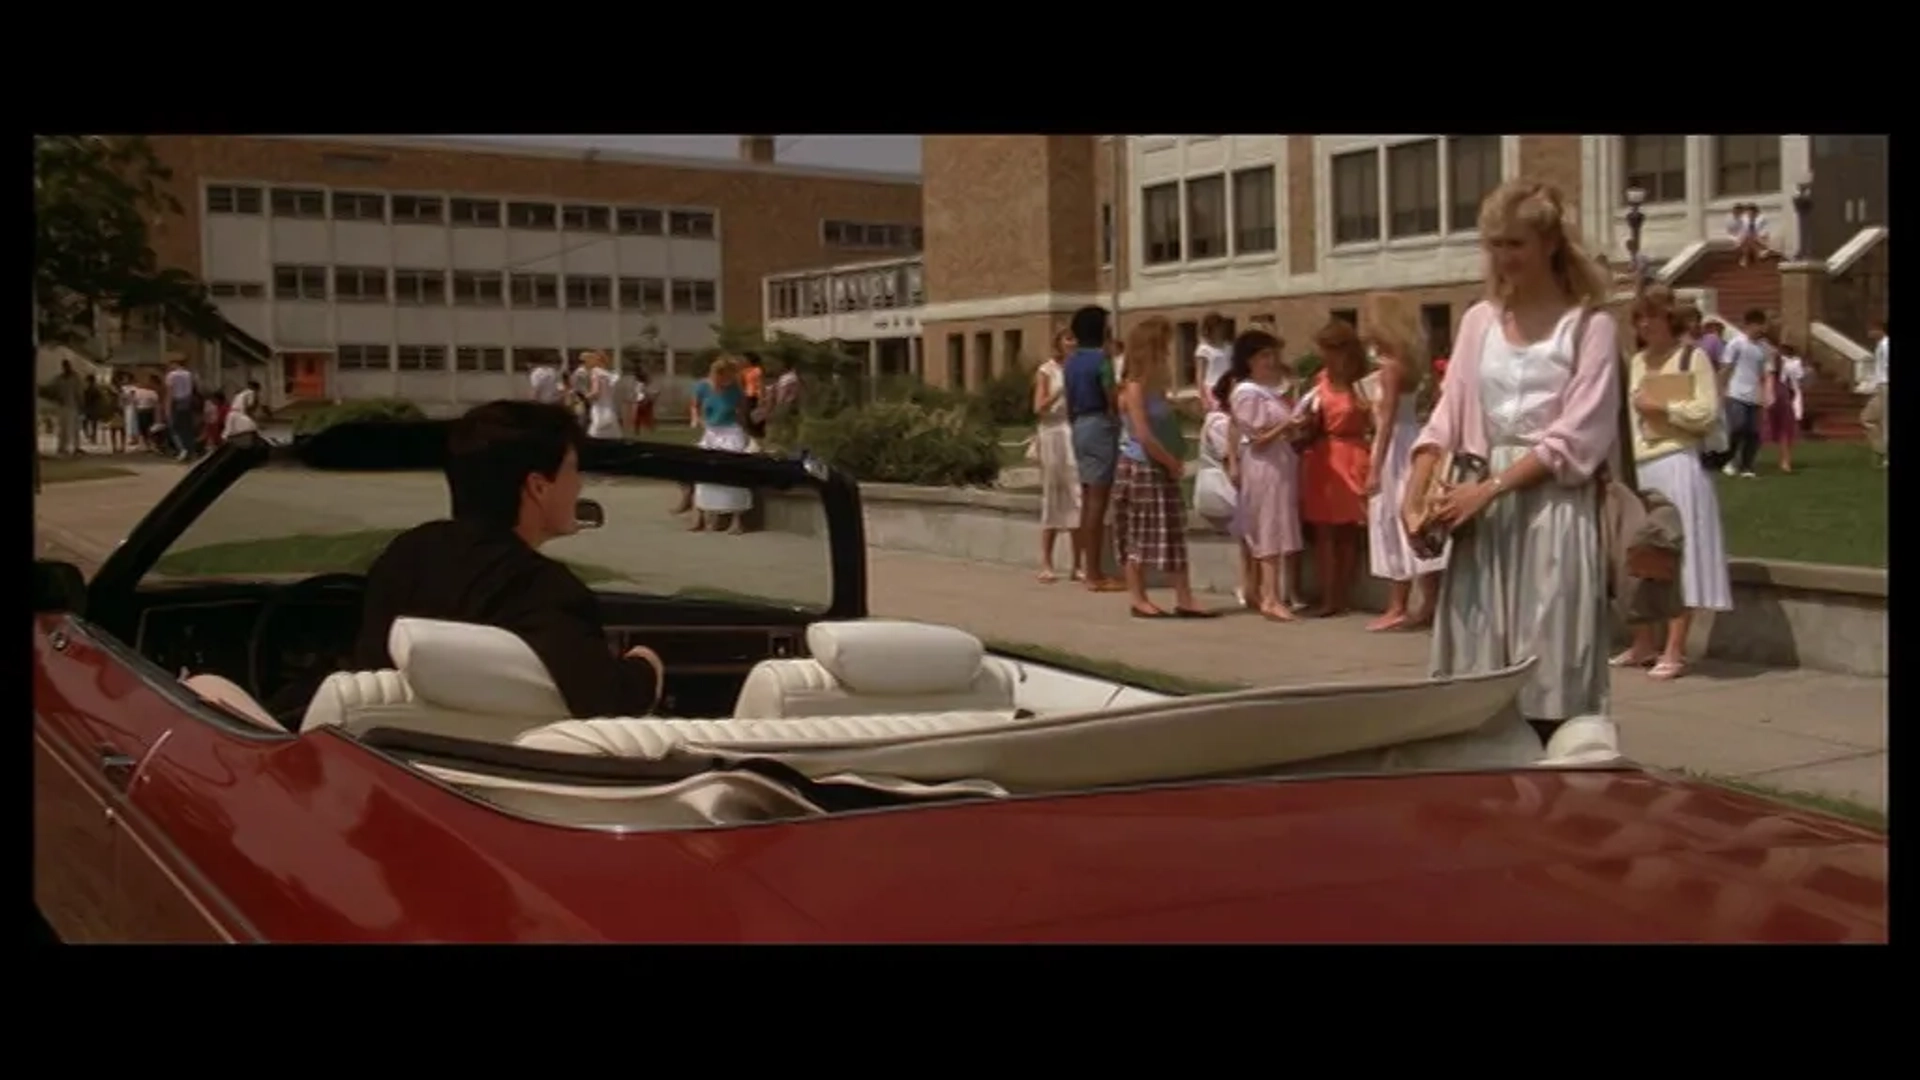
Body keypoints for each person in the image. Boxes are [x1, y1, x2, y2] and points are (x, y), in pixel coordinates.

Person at [1403, 178, 1619, 748]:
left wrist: (1492, 488)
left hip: (1553, 511)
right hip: (1483, 516)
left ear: (1548, 243)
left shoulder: (1590, 327)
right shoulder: (1479, 321)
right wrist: (1418, 483)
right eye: (1493, 244)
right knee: (1473, 683)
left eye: (1514, 244)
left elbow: (1578, 436)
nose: (1502, 258)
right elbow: (1448, 412)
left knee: (1550, 672)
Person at [354, 400, 665, 719]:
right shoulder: (542, 589)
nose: (579, 484)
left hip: (392, 752)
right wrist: (647, 664)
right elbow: (609, 702)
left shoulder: (405, 555)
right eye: (572, 470)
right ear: (538, 487)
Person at [1613, 285, 1732, 682]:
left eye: (1652, 316)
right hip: (1641, 464)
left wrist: (1663, 407)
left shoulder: (1692, 357)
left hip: (1677, 459)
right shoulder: (1638, 362)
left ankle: (1675, 647)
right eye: (1639, 318)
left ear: (1669, 318)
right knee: (1638, 554)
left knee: (1678, 554)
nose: (1646, 324)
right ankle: (1643, 639)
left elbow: (1707, 413)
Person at [1112, 316, 1214, 619]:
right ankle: (1138, 597)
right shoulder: (1134, 388)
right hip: (1142, 467)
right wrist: (1170, 462)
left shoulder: (1155, 388)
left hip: (1160, 465)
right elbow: (1142, 435)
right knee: (1139, 533)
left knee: (1172, 531)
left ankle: (1185, 597)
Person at [1360, 292, 1446, 631]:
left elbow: (1386, 421)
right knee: (1410, 515)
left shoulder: (1390, 369)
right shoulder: (1408, 364)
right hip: (1411, 436)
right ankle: (1427, 600)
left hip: (1395, 444)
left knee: (1393, 518)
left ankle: (1398, 603)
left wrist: (1374, 466)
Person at [1226, 328, 1306, 622]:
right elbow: (1257, 436)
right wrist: (1287, 426)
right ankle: (1269, 595)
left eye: (1273, 355)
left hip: (1279, 462)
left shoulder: (1269, 392)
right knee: (1269, 526)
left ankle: (1272, 592)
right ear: (1249, 360)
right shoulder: (1247, 393)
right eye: (1264, 356)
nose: (1271, 361)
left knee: (1279, 524)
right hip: (1263, 464)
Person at [1299, 319, 1372, 618]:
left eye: (1331, 350)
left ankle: (1343, 594)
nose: (1327, 357)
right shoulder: (1320, 381)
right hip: (1324, 454)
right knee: (1324, 531)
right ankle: (1329, 597)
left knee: (1348, 531)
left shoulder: (1362, 383)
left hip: (1354, 452)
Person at [1064, 305, 1124, 592]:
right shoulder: (1102, 360)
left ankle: (1090, 568)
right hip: (1099, 424)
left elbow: (1068, 401)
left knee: (1088, 496)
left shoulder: (1071, 361)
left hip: (1078, 426)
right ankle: (1095, 573)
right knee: (1098, 499)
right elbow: (1111, 395)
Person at [1032, 329, 1083, 583]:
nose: (1072, 343)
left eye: (1075, 338)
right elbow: (1038, 407)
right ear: (1059, 343)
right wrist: (1059, 391)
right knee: (1053, 493)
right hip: (1052, 431)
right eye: (1068, 338)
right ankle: (1046, 562)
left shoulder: (1080, 368)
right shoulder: (1047, 370)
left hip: (1072, 430)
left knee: (1077, 495)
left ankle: (1078, 564)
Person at [689, 355, 753, 534]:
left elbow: (741, 413)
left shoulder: (735, 390)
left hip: (731, 431)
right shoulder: (702, 387)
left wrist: (746, 433)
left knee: (734, 474)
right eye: (727, 376)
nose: (730, 380)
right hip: (711, 432)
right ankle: (701, 516)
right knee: (703, 474)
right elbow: (695, 406)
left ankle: (737, 520)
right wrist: (697, 420)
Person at [1719, 309, 1771, 478]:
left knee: (1753, 433)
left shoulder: (1764, 348)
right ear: (1750, 325)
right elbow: (1726, 368)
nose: (1763, 329)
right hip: (1735, 393)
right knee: (1737, 427)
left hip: (1754, 395)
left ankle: (1747, 467)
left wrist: (1766, 394)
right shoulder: (1736, 343)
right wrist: (1720, 389)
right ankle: (1728, 460)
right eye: (1760, 325)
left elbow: (1766, 373)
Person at [1763, 339, 1806, 472]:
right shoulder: (1775, 362)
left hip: (1781, 394)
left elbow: (1794, 381)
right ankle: (1785, 461)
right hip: (1773, 393)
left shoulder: (1786, 364)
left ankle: (1785, 460)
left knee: (1784, 429)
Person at [1862, 318, 1888, 467]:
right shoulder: (1880, 346)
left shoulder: (1886, 345)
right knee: (1868, 418)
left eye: (1872, 329)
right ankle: (1881, 449)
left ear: (1879, 329)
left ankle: (1883, 452)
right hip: (1881, 386)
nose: (1869, 332)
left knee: (1882, 420)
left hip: (1885, 385)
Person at [579, 351, 622, 440]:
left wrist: (584, 397)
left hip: (600, 406)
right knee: (611, 435)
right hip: (610, 406)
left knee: (596, 434)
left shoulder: (596, 372)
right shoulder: (609, 374)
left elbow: (596, 392)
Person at [1194, 312, 1234, 411]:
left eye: (1221, 327)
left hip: (1229, 386)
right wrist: (1203, 399)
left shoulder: (1229, 347)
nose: (1220, 330)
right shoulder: (1204, 349)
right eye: (1217, 327)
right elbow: (1200, 375)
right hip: (1212, 387)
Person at [163, 355, 199, 461]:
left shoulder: (171, 375)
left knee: (174, 428)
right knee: (187, 428)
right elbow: (194, 389)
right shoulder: (190, 374)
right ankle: (191, 450)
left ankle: (182, 449)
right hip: (188, 402)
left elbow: (170, 392)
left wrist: (167, 408)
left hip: (176, 402)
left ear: (175, 363)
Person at [51, 360, 82, 457]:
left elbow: (79, 392)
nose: (66, 367)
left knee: (73, 428)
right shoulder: (59, 378)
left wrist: (81, 404)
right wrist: (57, 398)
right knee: (62, 428)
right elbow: (54, 391)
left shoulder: (75, 378)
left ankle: (74, 447)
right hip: (62, 406)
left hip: (73, 406)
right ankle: (62, 447)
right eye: (64, 366)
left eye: (67, 366)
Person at [739, 352, 768, 452]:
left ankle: (758, 443)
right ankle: (752, 442)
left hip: (755, 397)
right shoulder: (745, 371)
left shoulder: (758, 370)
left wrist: (761, 399)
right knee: (745, 419)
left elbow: (761, 385)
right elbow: (742, 384)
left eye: (745, 359)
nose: (743, 361)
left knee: (755, 420)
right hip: (747, 397)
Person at [630, 367, 656, 433]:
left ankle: (640, 429)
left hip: (642, 400)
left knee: (641, 415)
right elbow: (643, 392)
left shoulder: (639, 384)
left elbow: (639, 392)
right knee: (643, 415)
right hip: (642, 400)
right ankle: (642, 428)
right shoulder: (641, 384)